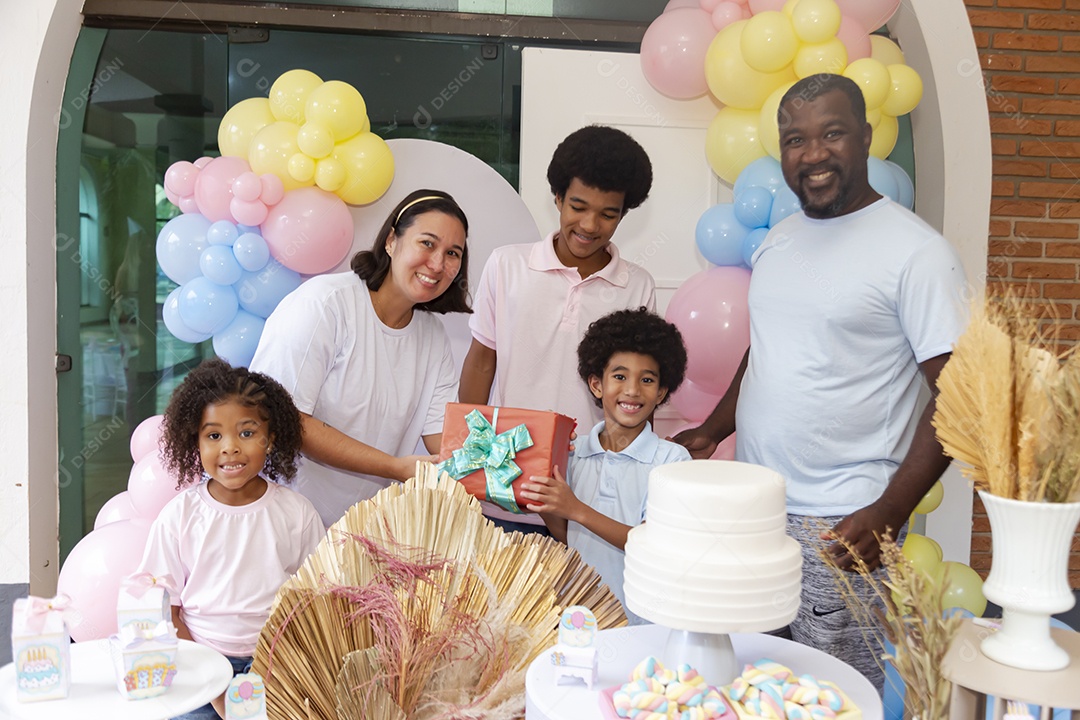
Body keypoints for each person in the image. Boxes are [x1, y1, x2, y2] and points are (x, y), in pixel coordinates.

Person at [673, 74, 967, 690]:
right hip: (757, 509)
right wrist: (713, 428)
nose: (811, 154)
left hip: (844, 521)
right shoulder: (779, 242)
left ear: (865, 138)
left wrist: (890, 509)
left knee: (833, 693)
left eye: (831, 134)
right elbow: (769, 347)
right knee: (751, 681)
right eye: (794, 139)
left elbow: (962, 397)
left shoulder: (916, 254)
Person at [459, 125, 656, 532]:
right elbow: (481, 364)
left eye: (608, 214)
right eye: (578, 206)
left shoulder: (637, 285)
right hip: (504, 487)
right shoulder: (507, 265)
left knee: (582, 597)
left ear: (624, 213)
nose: (589, 224)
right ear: (558, 198)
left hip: (587, 497)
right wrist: (471, 463)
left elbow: (639, 394)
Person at [250, 190, 471, 527]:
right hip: (284, 524)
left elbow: (444, 439)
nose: (438, 264)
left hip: (360, 533)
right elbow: (285, 419)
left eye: (452, 253)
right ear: (392, 241)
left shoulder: (433, 336)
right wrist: (394, 467)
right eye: (427, 243)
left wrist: (521, 453)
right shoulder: (326, 304)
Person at [136, 358, 324, 720]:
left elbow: (315, 599)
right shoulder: (180, 516)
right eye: (214, 435)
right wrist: (213, 683)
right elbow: (163, 609)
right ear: (195, 441)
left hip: (276, 667)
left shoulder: (297, 513)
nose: (230, 447)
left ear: (270, 439)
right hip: (197, 663)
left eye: (247, 432)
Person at [522, 308, 691, 621]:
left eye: (647, 379)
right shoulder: (573, 452)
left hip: (644, 623)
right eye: (620, 376)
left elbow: (653, 545)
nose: (632, 390)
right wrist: (543, 498)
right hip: (577, 619)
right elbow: (569, 535)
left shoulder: (672, 461)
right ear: (597, 384)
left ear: (661, 392)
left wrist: (575, 508)